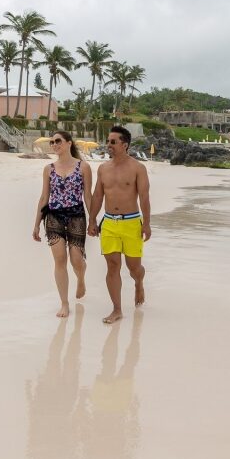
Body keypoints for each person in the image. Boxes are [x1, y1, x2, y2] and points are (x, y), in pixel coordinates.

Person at [87, 126, 151, 324]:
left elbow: (144, 197)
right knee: (112, 266)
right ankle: (117, 309)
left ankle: (139, 282)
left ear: (125, 145)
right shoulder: (103, 168)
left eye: (113, 142)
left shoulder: (138, 168)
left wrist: (146, 224)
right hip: (109, 224)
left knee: (134, 267)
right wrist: (92, 220)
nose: (109, 145)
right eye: (108, 141)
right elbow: (98, 196)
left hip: (131, 223)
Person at [33, 130, 93, 317]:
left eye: (58, 141)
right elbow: (44, 197)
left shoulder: (83, 167)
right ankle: (64, 303)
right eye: (51, 142)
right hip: (54, 217)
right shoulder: (48, 169)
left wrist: (93, 220)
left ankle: (81, 279)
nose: (54, 145)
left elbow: (88, 196)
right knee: (60, 260)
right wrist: (36, 224)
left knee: (76, 260)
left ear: (68, 143)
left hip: (76, 215)